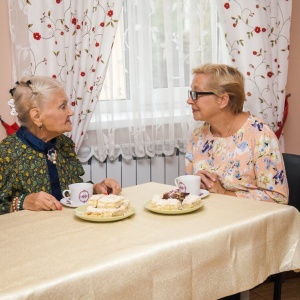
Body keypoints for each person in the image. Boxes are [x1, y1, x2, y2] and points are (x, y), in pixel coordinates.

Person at [0, 76, 121, 215]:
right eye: (62, 106)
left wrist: (96, 189)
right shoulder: (6, 153)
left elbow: (71, 192)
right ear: (37, 116)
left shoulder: (65, 144)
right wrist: (22, 202)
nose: (70, 112)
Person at [185, 63, 288, 204]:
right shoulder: (198, 135)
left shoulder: (260, 135)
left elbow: (278, 199)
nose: (189, 100)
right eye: (191, 93)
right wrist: (195, 184)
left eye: (196, 94)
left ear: (222, 100)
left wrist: (223, 193)